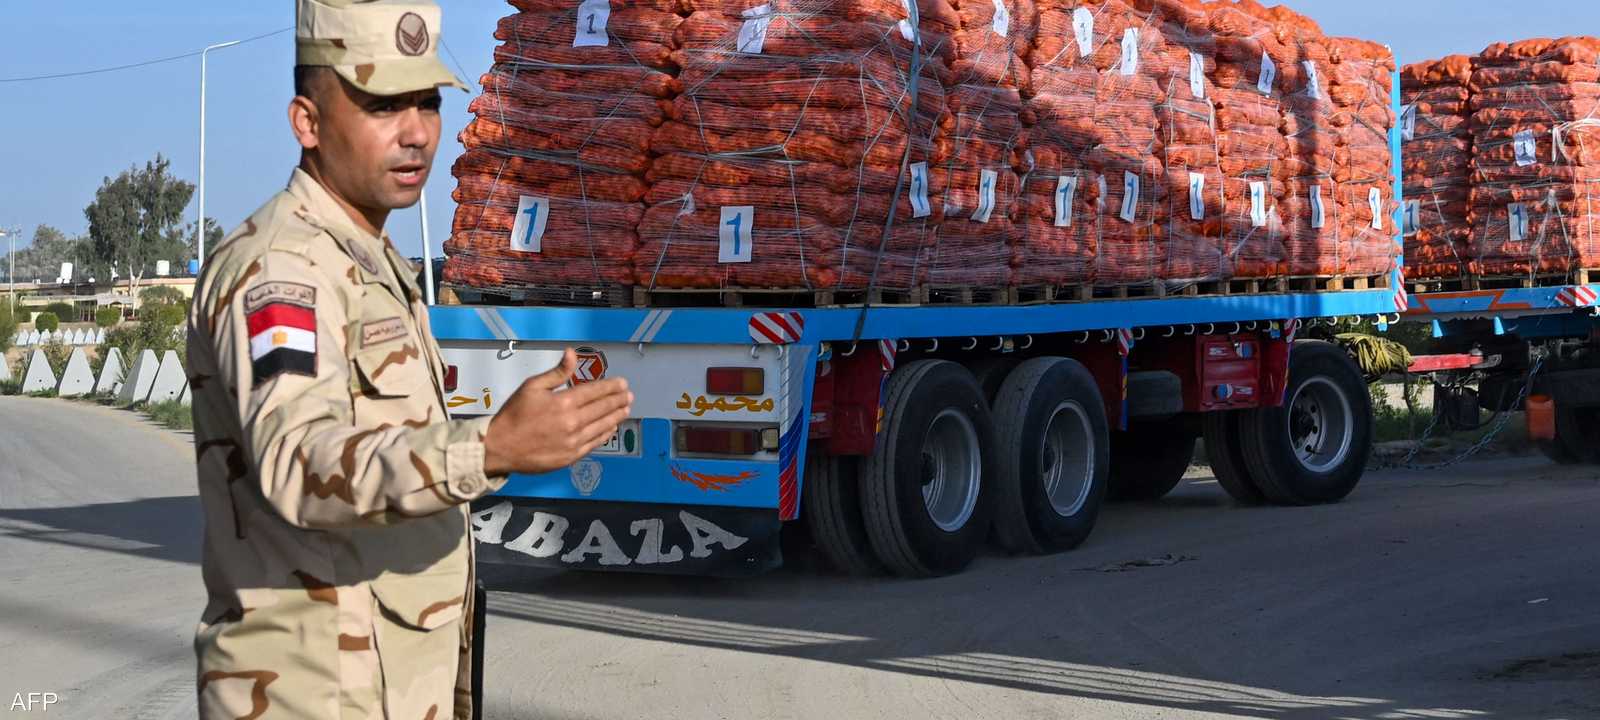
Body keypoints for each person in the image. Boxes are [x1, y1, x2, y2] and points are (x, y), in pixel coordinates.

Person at [185, 1, 634, 717]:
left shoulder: (368, 258)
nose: (417, 131)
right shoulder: (281, 270)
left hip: (386, 685)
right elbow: (298, 460)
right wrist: (489, 449)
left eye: (426, 102)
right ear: (307, 121)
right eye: (381, 104)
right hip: (315, 693)